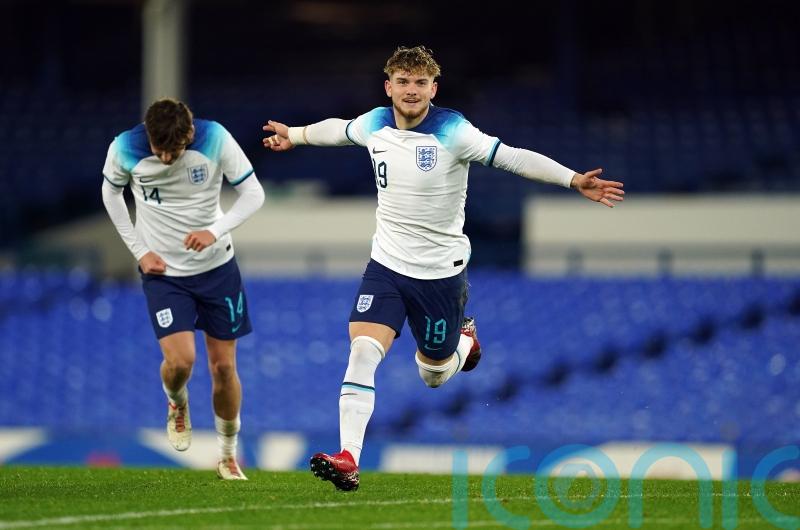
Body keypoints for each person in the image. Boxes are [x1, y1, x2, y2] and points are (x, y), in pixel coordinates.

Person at [262, 46, 624, 491]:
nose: (411, 90)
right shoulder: (375, 122)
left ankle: (464, 341)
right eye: (403, 81)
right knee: (362, 351)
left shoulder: (455, 131)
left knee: (432, 374)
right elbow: (339, 130)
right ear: (388, 87)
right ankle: (349, 458)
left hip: (439, 275)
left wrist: (572, 179)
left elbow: (513, 157)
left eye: (421, 83)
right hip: (386, 266)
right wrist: (295, 135)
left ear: (434, 88)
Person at [102, 98, 265, 480]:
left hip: (217, 269)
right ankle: (177, 402)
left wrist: (215, 231)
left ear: (189, 134)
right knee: (181, 362)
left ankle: (228, 456)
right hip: (164, 274)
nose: (165, 158)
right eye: (158, 150)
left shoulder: (215, 138)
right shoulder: (124, 147)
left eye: (172, 151)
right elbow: (110, 194)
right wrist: (140, 251)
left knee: (223, 367)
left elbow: (254, 194)